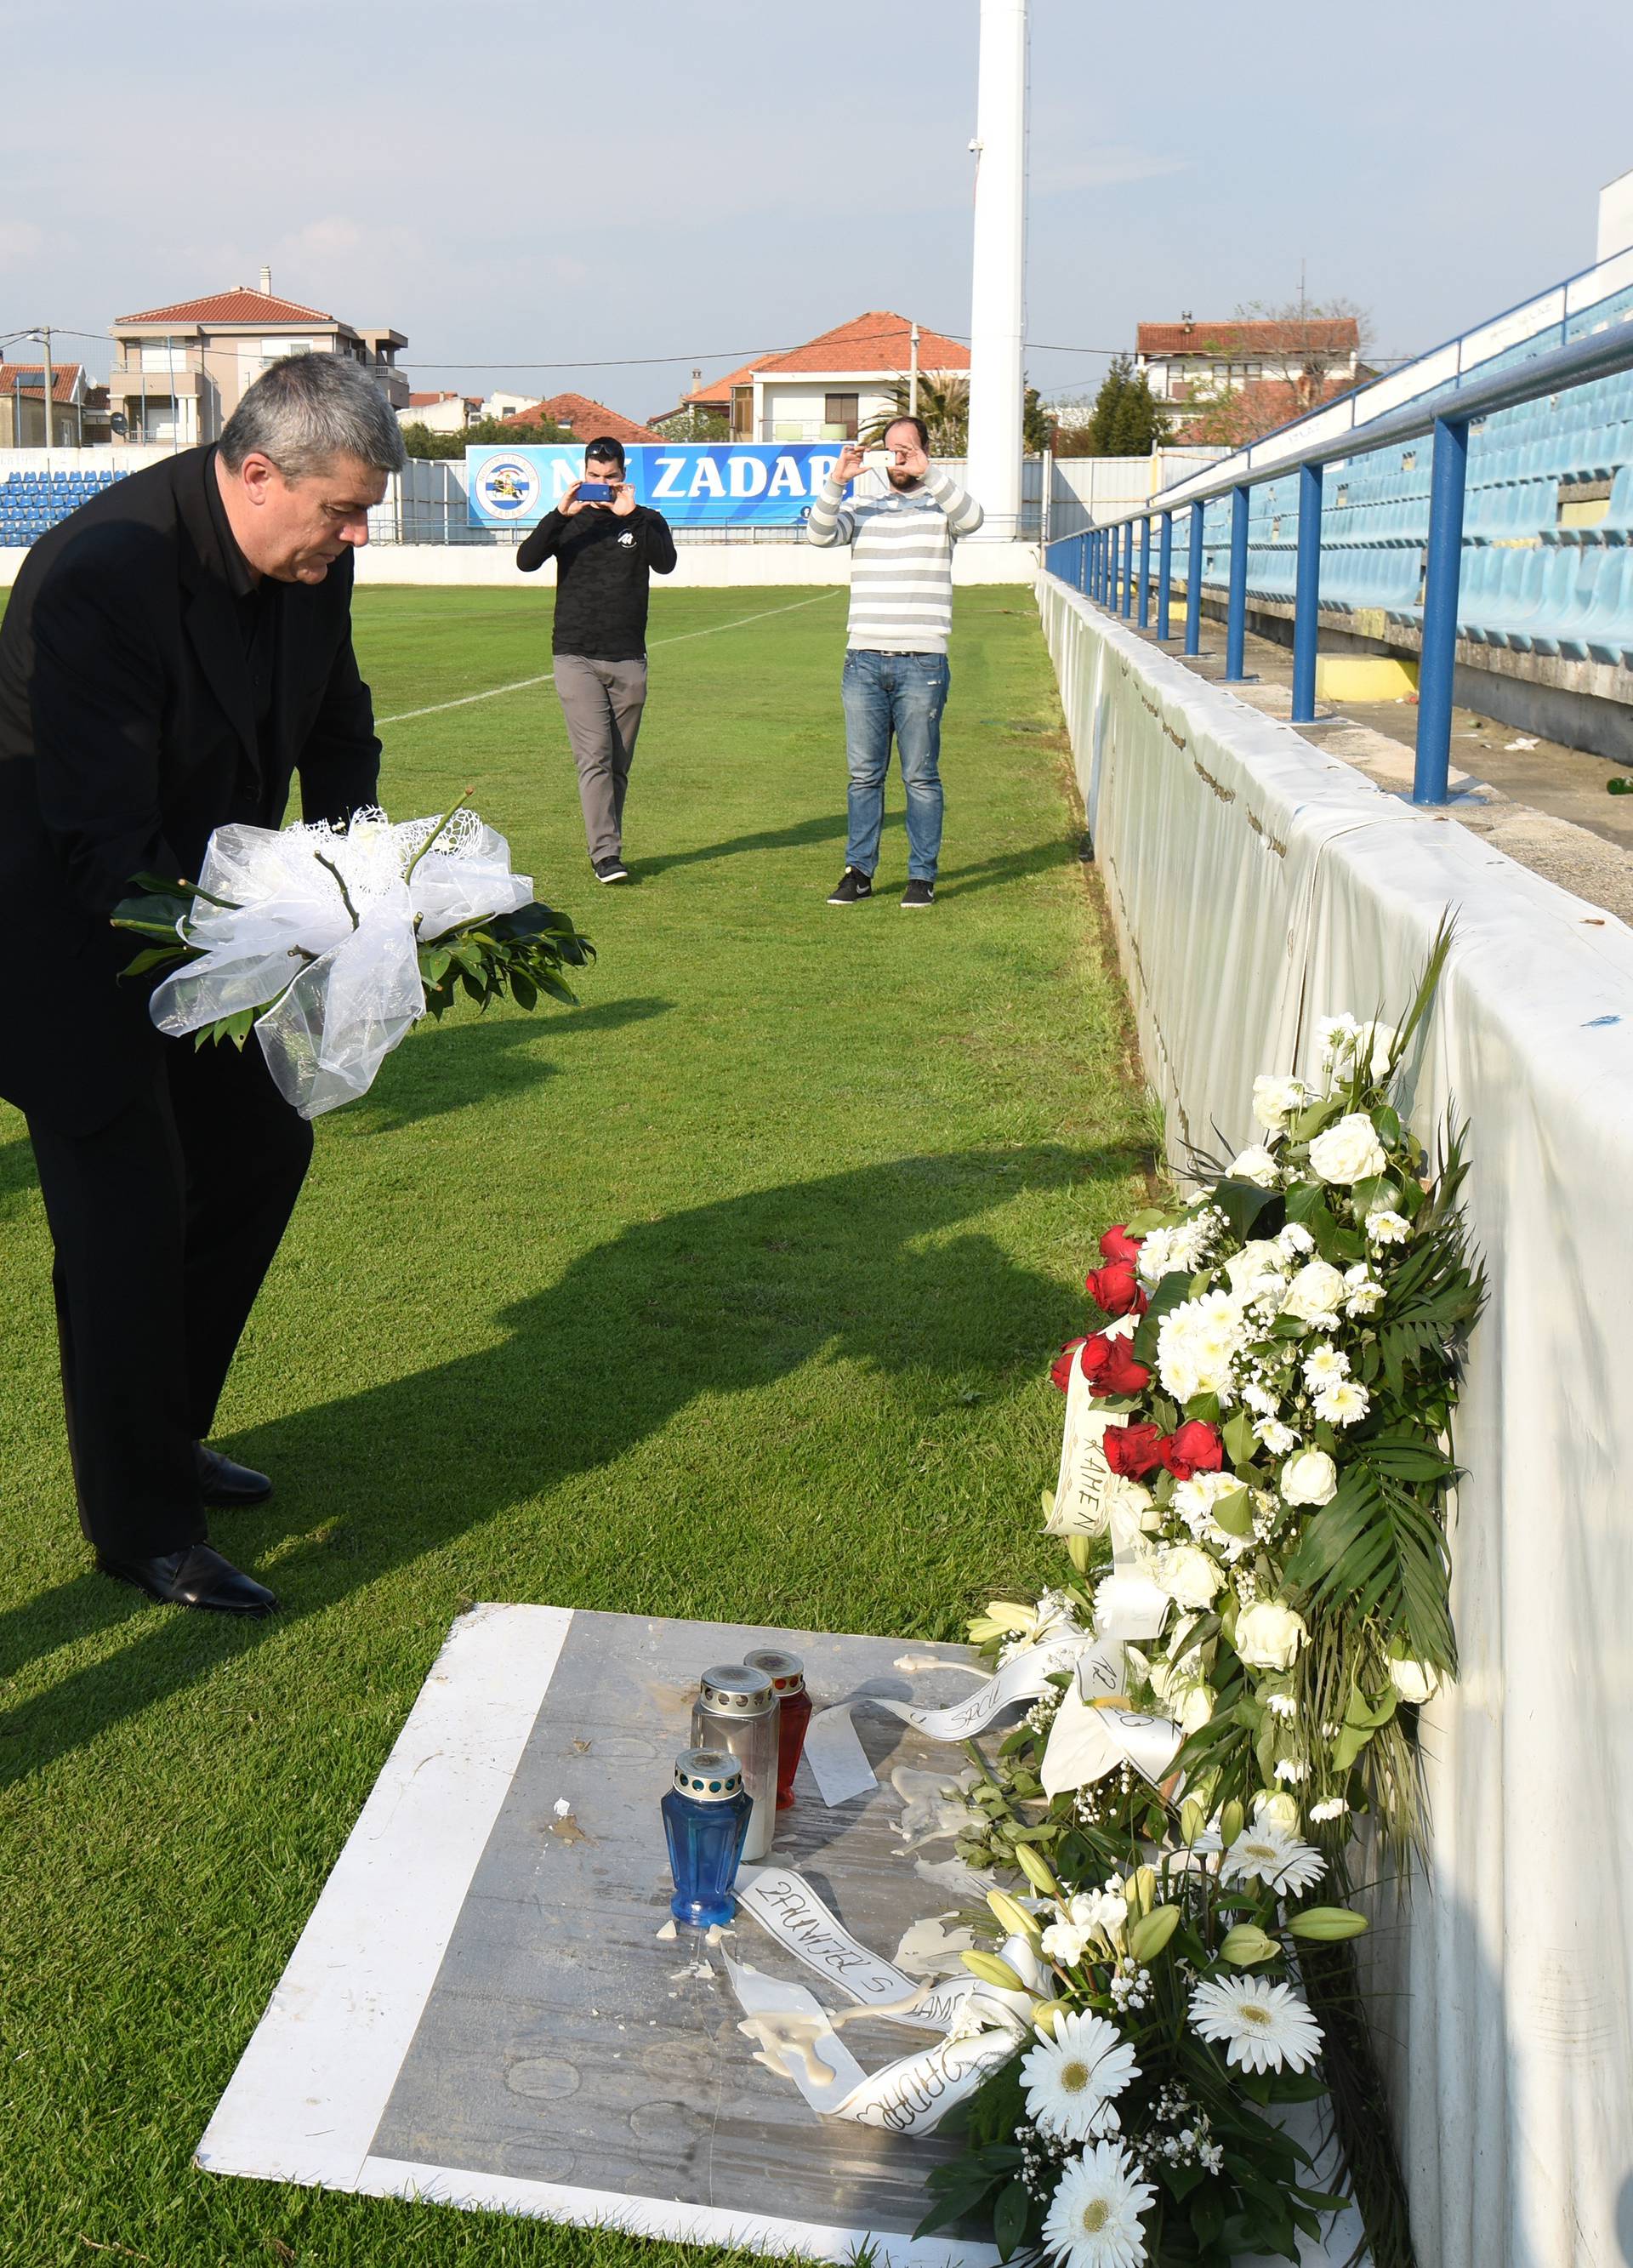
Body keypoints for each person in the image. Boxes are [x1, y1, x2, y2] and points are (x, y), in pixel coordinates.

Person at [0, 355, 406, 1616]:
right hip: (69, 934)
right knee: (124, 1220)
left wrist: (367, 888)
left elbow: (339, 728)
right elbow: (98, 836)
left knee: (256, 1156)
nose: (348, 541)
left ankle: (164, 1433)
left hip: (208, 923)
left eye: (362, 520)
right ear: (255, 471)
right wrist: (263, 920)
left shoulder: (311, 566)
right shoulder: (102, 572)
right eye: (337, 512)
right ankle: (142, 1527)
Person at [805, 416, 983, 909]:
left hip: (922, 661)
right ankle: (858, 872)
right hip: (863, 659)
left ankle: (920, 877)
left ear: (925, 451)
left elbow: (974, 520)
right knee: (864, 775)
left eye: (909, 449)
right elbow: (819, 535)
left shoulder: (941, 504)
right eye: (892, 449)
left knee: (920, 776)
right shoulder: (863, 504)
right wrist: (838, 481)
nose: (899, 458)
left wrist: (934, 476)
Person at [516, 436, 677, 883]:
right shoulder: (568, 521)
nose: (602, 485)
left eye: (610, 478)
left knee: (619, 765)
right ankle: (606, 854)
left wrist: (636, 518)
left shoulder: (647, 520)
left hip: (628, 658)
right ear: (583, 474)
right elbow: (526, 560)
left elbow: (666, 564)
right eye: (593, 477)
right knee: (596, 757)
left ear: (623, 477)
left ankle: (609, 846)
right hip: (575, 655)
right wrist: (558, 512)